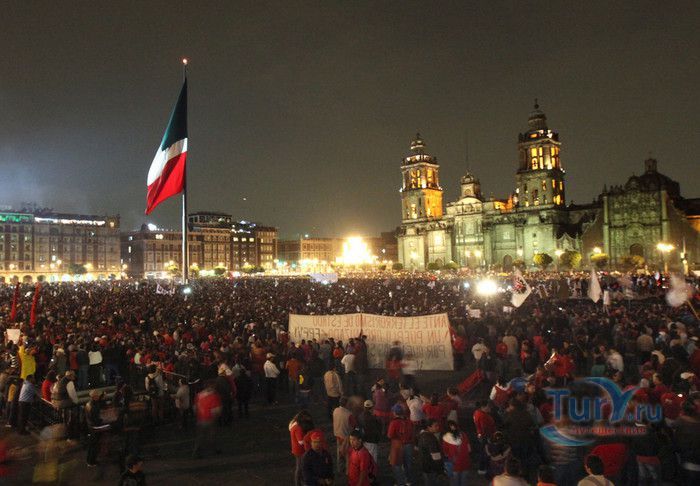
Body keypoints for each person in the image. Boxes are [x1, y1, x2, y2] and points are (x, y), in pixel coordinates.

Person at [192, 382, 222, 458]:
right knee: (212, 435)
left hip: (200, 419)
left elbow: (195, 408)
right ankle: (215, 449)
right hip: (210, 419)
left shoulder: (198, 395)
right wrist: (217, 416)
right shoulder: (214, 396)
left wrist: (197, 415)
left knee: (200, 437)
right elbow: (216, 409)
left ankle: (197, 452)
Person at [387, 403, 414, 486]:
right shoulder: (409, 421)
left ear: (395, 412)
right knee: (408, 464)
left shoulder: (394, 422)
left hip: (398, 446)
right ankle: (408, 481)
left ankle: (401, 482)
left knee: (396, 464)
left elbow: (390, 435)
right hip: (408, 445)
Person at [85, 389, 110, 466]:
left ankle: (89, 460)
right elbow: (97, 419)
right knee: (94, 445)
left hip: (90, 426)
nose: (99, 397)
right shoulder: (94, 407)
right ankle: (91, 461)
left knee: (92, 444)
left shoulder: (89, 404)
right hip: (95, 427)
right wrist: (105, 420)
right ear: (94, 397)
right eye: (98, 396)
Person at [441, 420, 471, 486]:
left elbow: (445, 453)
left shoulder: (445, 438)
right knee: (464, 481)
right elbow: (469, 449)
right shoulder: (463, 435)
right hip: (465, 461)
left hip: (454, 464)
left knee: (454, 482)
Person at [290, 410, 314, 486]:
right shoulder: (298, 428)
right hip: (299, 450)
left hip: (296, 449)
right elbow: (300, 441)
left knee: (300, 467)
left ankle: (300, 482)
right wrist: (309, 439)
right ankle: (298, 483)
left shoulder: (293, 425)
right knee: (300, 467)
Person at [418, 419, 443, 486]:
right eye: (435, 426)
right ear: (429, 427)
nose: (438, 427)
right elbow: (435, 455)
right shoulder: (430, 438)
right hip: (431, 467)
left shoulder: (423, 435)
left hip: (425, 466)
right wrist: (440, 469)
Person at [333, 396, 353, 474]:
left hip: (337, 435)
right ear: (346, 404)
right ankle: (348, 471)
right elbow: (353, 425)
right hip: (346, 437)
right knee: (348, 455)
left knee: (339, 453)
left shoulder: (335, 410)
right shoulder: (349, 414)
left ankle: (339, 468)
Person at [358, 400, 382, 465]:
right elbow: (377, 430)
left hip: (363, 440)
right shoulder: (373, 418)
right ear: (372, 408)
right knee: (372, 459)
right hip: (371, 441)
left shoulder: (360, 416)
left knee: (365, 458)